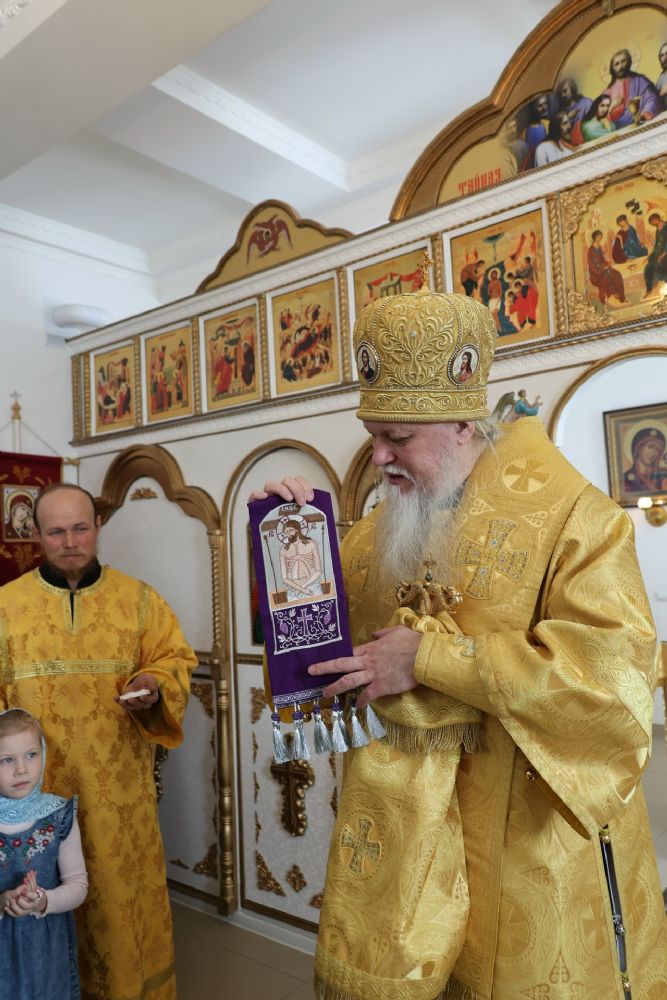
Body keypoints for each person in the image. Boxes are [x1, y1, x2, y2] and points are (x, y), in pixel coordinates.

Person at [252, 283, 667, 999]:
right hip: (406, 860)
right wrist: (293, 537)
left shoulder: (575, 519)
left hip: (527, 839)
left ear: (461, 424)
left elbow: (614, 682)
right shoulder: (372, 536)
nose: (378, 457)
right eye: (372, 434)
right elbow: (318, 661)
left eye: (397, 438)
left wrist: (430, 659)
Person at [0, 483, 197, 1000]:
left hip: (119, 802)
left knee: (118, 908)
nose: (70, 542)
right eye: (56, 531)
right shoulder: (6, 607)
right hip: (31, 802)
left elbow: (175, 661)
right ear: (35, 534)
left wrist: (153, 685)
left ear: (98, 527)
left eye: (80, 528)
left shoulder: (140, 601)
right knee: (34, 912)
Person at [0, 707, 88, 1000]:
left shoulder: (58, 816)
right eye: (7, 760)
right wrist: (3, 902)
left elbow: (78, 886)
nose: (21, 769)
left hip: (47, 952)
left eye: (31, 755)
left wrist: (42, 901)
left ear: (43, 753)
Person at [604, 48, 662, 128]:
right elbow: (601, 117)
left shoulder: (640, 80)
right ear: (612, 68)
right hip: (619, 130)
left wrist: (645, 113)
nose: (621, 66)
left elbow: (652, 99)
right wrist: (612, 106)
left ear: (629, 62)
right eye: (616, 64)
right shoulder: (607, 92)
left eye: (623, 61)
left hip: (643, 123)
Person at [623, 426, 667, 493]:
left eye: (658, 450)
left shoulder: (663, 474)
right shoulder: (626, 479)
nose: (654, 453)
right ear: (638, 448)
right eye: (650, 446)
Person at [587, 229, 625, 305]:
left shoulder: (599, 247)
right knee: (607, 277)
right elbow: (591, 265)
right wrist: (602, 268)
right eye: (598, 237)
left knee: (617, 275)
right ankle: (612, 295)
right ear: (594, 237)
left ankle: (620, 295)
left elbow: (602, 260)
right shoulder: (590, 250)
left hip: (604, 269)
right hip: (596, 274)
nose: (599, 239)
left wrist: (607, 264)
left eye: (600, 237)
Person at [644, 211, 667, 294]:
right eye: (651, 222)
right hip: (659, 251)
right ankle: (649, 287)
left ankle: (657, 280)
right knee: (649, 265)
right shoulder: (658, 229)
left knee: (660, 262)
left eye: (653, 221)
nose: (653, 223)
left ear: (657, 218)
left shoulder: (665, 226)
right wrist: (652, 252)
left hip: (665, 251)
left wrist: (663, 254)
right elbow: (657, 243)